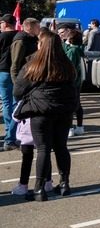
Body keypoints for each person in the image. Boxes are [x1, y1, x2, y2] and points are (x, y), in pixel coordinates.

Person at [13, 29, 78, 201]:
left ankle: (39, 189)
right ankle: (64, 184)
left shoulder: (33, 65)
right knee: (61, 147)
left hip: (40, 110)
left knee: (43, 149)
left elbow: (18, 90)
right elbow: (75, 85)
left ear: (41, 45)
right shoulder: (66, 65)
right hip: (64, 110)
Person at [0, 13, 19, 151]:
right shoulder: (20, 36)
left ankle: (9, 134)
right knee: (16, 104)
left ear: (5, 24)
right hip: (18, 73)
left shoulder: (1, 37)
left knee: (7, 104)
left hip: (4, 73)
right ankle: (11, 133)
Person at [64, 29, 86, 136]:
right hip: (77, 81)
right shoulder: (78, 49)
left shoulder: (72, 51)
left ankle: (70, 128)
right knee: (77, 104)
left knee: (70, 105)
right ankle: (80, 126)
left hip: (71, 82)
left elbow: (68, 65)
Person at [10, 18, 40, 85]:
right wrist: (17, 84)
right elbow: (15, 64)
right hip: (23, 77)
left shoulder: (34, 39)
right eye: (37, 27)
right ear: (29, 27)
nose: (39, 29)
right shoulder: (21, 41)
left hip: (31, 75)